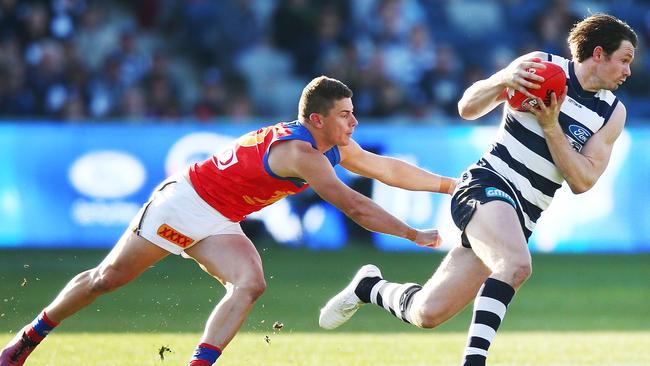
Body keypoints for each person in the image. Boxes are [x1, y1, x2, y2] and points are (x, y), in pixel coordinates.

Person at [0, 76, 456, 366]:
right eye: (345, 115)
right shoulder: (300, 153)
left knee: (250, 283)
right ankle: (29, 337)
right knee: (106, 279)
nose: (354, 122)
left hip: (221, 218)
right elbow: (354, 206)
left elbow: (387, 169)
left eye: (353, 112)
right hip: (182, 204)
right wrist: (413, 233)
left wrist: (448, 185)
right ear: (317, 119)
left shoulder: (328, 144)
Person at [318, 14, 637, 366]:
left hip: (523, 215)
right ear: (598, 54)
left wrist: (551, 126)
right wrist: (502, 79)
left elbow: (582, 181)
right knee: (516, 265)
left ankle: (369, 287)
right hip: (487, 184)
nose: (628, 71)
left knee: (428, 312)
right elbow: (467, 108)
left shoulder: (612, 112)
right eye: (624, 60)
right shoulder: (540, 66)